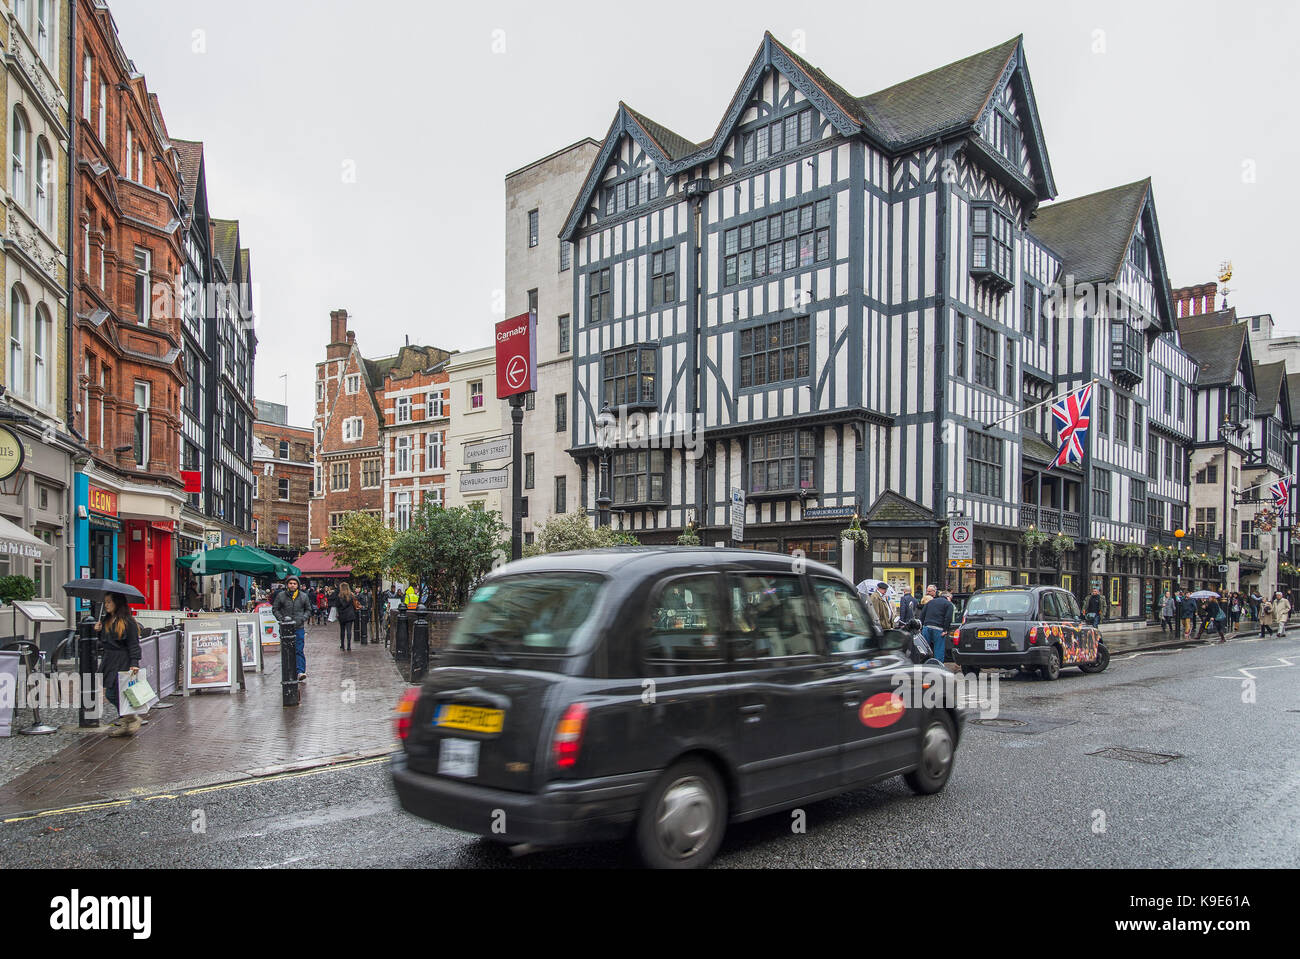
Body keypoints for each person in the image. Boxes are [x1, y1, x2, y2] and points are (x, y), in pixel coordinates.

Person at [96, 592, 145, 737]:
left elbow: (133, 644)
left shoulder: (128, 621)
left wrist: (134, 662)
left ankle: (130, 719)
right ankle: (128, 720)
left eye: (109, 602)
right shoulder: (107, 620)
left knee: (117, 693)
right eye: (105, 602)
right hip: (109, 660)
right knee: (112, 692)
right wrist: (98, 632)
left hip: (122, 660)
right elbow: (104, 642)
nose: (106, 605)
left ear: (117, 603)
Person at [272, 575, 314, 680]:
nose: (292, 585)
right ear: (287, 584)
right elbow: (275, 609)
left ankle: (300, 671)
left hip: (298, 626)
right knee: (286, 650)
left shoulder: (303, 596)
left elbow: (309, 609)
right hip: (285, 627)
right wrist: (281, 618)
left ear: (298, 585)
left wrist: (303, 618)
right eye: (290, 583)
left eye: (294, 583)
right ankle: (289, 672)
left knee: (299, 649)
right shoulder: (281, 596)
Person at [919, 588, 954, 663]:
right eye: (951, 598)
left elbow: (922, 615)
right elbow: (948, 618)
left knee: (925, 649)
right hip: (938, 629)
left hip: (927, 627)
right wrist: (945, 630)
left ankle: (924, 664)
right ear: (948, 597)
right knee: (939, 649)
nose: (951, 600)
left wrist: (921, 627)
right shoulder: (948, 604)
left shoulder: (930, 602)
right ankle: (938, 666)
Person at [334, 581, 358, 651]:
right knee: (349, 630)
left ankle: (342, 645)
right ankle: (349, 646)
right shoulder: (351, 595)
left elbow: (337, 605)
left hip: (342, 615)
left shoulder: (339, 596)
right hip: (350, 614)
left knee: (342, 630)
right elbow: (354, 605)